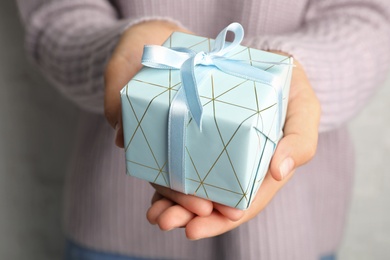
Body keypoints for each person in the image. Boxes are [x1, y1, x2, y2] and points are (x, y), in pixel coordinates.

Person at [16, 1, 390, 259]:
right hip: (114, 231)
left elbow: (369, 16)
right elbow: (55, 12)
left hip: (299, 231)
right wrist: (115, 51)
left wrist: (301, 73)